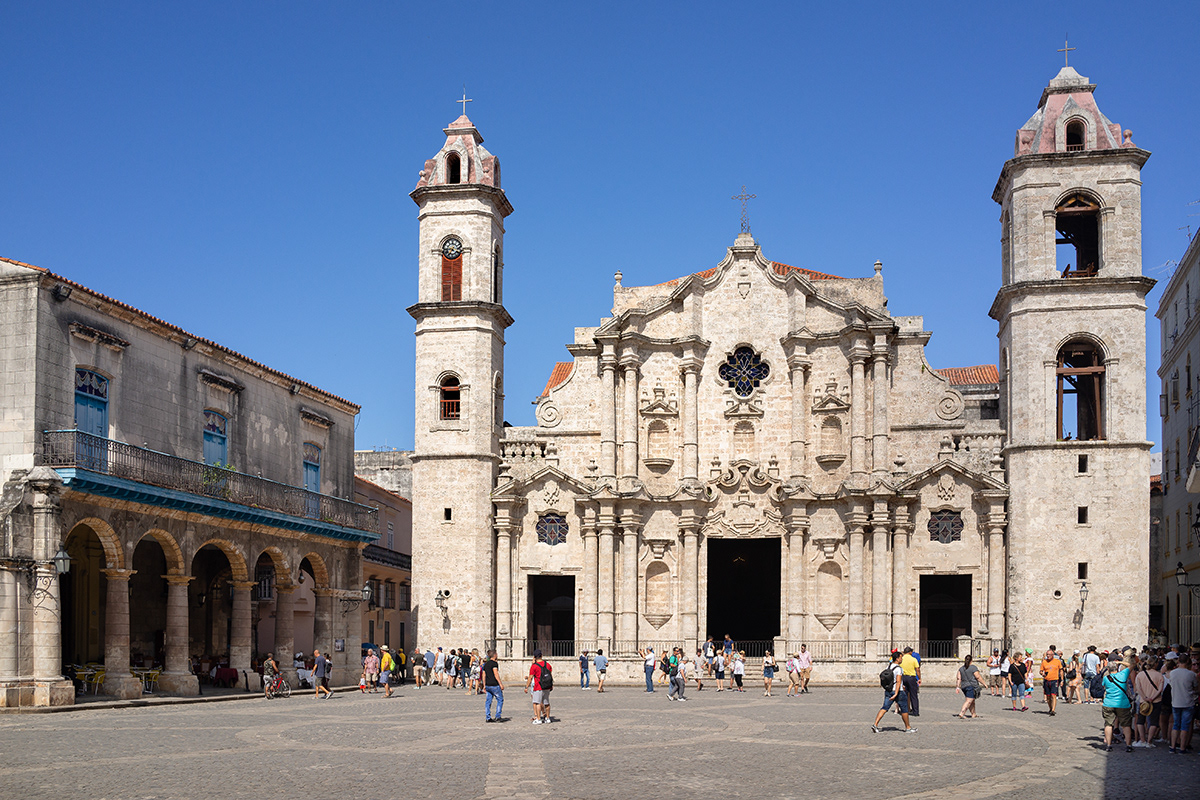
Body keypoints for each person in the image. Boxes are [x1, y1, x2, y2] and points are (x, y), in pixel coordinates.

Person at [873, 651, 915, 733]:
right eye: (901, 657)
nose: (902, 659)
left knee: (884, 708)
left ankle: (875, 724)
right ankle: (908, 727)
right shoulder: (898, 669)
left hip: (889, 690)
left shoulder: (889, 667)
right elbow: (898, 681)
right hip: (898, 692)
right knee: (904, 709)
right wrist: (896, 693)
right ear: (897, 658)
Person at [1100, 657, 1135, 753]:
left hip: (1109, 703)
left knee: (1108, 724)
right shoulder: (1123, 674)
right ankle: (1128, 745)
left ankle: (1108, 745)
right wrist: (1120, 662)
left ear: (1108, 669)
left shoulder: (1106, 678)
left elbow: (1104, 687)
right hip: (1122, 703)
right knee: (1126, 725)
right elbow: (1132, 665)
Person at [1167, 653, 1198, 754]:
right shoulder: (1191, 674)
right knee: (1185, 726)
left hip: (1176, 701)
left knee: (1176, 725)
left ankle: (1172, 746)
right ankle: (1182, 747)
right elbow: (1196, 686)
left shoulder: (1173, 673)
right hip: (1188, 701)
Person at [1133, 655, 1165, 748]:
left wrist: (1145, 697)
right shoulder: (1159, 675)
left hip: (1143, 701)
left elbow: (1138, 688)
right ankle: (1149, 741)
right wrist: (1152, 698)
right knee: (1154, 721)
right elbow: (1160, 690)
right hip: (1156, 701)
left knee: (1140, 720)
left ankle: (1142, 740)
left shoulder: (1140, 675)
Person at [525, 649, 552, 724]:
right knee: (546, 703)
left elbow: (530, 677)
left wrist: (526, 687)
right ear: (541, 656)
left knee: (537, 703)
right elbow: (550, 675)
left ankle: (539, 719)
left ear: (534, 657)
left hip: (538, 686)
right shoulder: (548, 665)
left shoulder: (534, 666)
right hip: (547, 686)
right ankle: (547, 718)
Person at [955, 654, 982, 719]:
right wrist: (984, 684)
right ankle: (962, 713)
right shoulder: (973, 668)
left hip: (964, 687)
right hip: (971, 686)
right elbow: (978, 677)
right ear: (971, 660)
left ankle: (973, 714)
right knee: (969, 700)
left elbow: (958, 678)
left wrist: (957, 687)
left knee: (972, 700)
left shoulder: (961, 669)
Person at [483, 649, 504, 722]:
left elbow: (484, 675)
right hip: (494, 684)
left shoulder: (486, 664)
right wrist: (500, 684)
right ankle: (498, 716)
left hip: (488, 685)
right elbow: (496, 674)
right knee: (500, 700)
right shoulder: (494, 664)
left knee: (488, 701)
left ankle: (488, 717)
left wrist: (484, 685)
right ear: (494, 655)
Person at [1039, 649, 1061, 715]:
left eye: (1049, 655)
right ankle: (1050, 708)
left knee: (1053, 695)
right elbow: (1041, 671)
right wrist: (1042, 673)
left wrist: (1062, 680)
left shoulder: (1057, 661)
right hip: (1046, 680)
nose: (1048, 656)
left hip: (1054, 680)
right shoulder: (1044, 662)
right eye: (1047, 655)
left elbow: (1061, 670)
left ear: (1053, 655)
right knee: (1048, 696)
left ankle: (1053, 710)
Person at [900, 647, 920, 716]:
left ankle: (904, 710)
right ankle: (915, 712)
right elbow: (917, 669)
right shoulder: (913, 659)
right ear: (910, 652)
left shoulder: (901, 659)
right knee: (913, 695)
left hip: (903, 677)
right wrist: (919, 678)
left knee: (904, 695)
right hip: (911, 678)